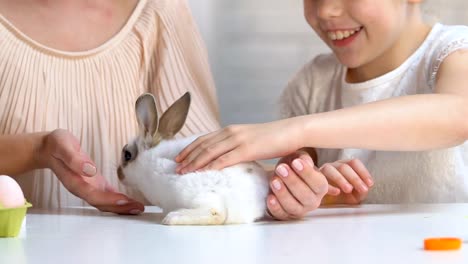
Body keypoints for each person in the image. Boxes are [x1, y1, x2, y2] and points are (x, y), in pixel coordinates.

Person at [175, 0, 468, 220]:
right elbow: (295, 180)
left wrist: (292, 130)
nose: (326, 10)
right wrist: (310, 192)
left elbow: (457, 114)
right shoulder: (313, 83)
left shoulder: (453, 51)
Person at [0, 0, 220, 214]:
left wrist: (255, 138)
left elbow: (213, 164)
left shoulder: (159, 11)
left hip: (144, 246)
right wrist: (39, 149)